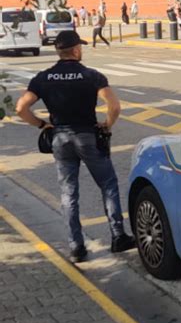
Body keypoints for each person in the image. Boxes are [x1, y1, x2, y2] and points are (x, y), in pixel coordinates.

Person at [15, 29, 134, 262]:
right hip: (88, 136)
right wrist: (107, 125)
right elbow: (114, 106)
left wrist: (42, 125)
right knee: (108, 184)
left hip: (60, 138)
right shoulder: (91, 75)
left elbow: (21, 107)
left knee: (69, 193)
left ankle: (76, 247)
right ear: (76, 49)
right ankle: (118, 236)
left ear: (59, 51)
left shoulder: (44, 77)